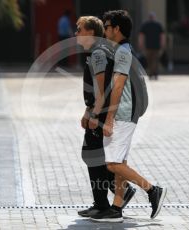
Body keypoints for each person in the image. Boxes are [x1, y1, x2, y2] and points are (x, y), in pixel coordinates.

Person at [90, 10, 167, 223]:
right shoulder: (122, 50)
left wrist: (109, 118)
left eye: (107, 27)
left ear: (117, 29)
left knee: (113, 164)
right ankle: (116, 208)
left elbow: (119, 84)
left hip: (123, 113)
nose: (104, 30)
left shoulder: (122, 52)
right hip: (125, 112)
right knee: (119, 162)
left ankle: (152, 190)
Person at [75, 16, 136, 218]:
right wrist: (87, 110)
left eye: (79, 29)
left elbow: (101, 89)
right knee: (94, 156)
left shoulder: (99, 53)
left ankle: (108, 200)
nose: (76, 33)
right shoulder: (96, 52)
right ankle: (106, 199)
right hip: (97, 109)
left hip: (101, 111)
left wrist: (93, 113)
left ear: (91, 32)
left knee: (93, 155)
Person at [138, 12, 166, 80]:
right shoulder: (158, 25)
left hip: (148, 46)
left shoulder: (145, 25)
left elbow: (141, 36)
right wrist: (162, 44)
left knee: (149, 60)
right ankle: (154, 73)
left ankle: (152, 73)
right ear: (154, 18)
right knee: (155, 60)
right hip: (156, 46)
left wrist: (140, 44)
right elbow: (162, 36)